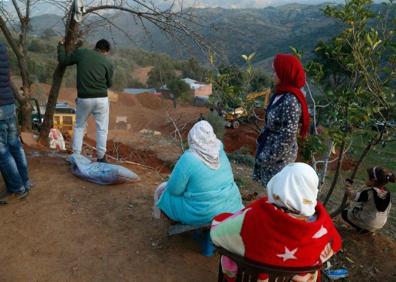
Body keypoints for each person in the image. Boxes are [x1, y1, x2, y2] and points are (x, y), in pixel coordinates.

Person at [211, 163, 342, 282]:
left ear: (279, 183)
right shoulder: (322, 224)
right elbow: (334, 244)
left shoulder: (254, 215)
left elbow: (218, 235)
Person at [153, 120, 244, 225]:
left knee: (161, 192)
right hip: (232, 204)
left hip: (205, 213)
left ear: (193, 138)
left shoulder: (189, 158)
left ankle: (171, 221)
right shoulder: (219, 150)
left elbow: (174, 190)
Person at [253, 54, 310, 187]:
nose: (273, 74)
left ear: (285, 73)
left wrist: (266, 157)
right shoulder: (280, 93)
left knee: (276, 194)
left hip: (278, 160)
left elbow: (287, 137)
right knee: (269, 193)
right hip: (270, 152)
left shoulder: (291, 100)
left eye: (276, 71)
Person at [57, 39, 114, 163]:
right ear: (106, 52)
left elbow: (64, 61)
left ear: (96, 47)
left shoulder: (82, 53)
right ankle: (101, 157)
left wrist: (60, 46)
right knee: (102, 128)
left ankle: (76, 155)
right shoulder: (108, 63)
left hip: (84, 98)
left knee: (79, 126)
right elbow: (109, 83)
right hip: (101, 99)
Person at [0, 43, 31, 202]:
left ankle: (17, 187)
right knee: (15, 146)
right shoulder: (2, 47)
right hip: (9, 104)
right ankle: (26, 182)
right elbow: (8, 75)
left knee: (2, 153)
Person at [342, 167, 393, 233]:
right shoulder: (387, 192)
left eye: (368, 178)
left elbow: (353, 196)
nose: (366, 179)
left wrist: (348, 186)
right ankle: (367, 228)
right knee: (361, 210)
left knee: (344, 213)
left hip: (368, 223)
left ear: (373, 180)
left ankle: (361, 228)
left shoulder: (369, 192)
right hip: (380, 224)